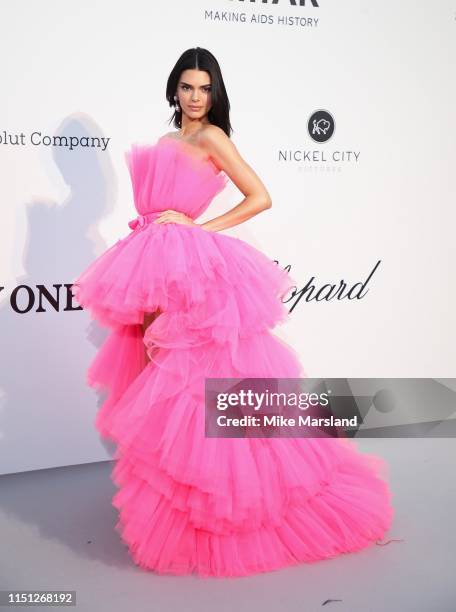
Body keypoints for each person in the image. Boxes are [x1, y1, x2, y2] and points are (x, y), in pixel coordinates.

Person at [71, 47, 394, 578]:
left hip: (189, 266)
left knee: (199, 385)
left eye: (205, 88)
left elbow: (259, 196)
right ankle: (178, 510)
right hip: (151, 262)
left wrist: (198, 230)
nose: (196, 97)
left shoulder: (213, 138)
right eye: (187, 86)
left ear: (214, 94)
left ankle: (226, 508)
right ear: (173, 89)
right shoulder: (167, 140)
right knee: (160, 384)